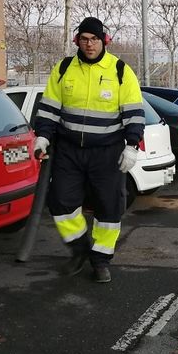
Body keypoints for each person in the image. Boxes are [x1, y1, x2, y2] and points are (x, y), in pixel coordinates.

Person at [32, 17, 145, 283]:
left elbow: (134, 114)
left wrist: (131, 146)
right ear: (77, 41)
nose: (89, 44)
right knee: (59, 202)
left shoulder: (119, 70)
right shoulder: (64, 68)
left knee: (109, 207)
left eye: (94, 39)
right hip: (69, 150)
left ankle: (100, 260)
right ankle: (80, 247)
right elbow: (49, 109)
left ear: (103, 40)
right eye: (84, 39)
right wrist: (42, 138)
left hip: (107, 152)